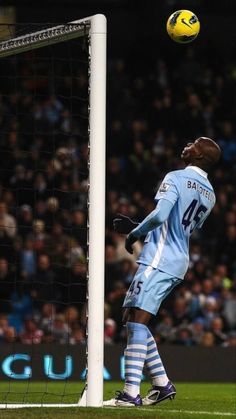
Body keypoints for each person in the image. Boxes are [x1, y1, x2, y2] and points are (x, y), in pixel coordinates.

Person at [104, 137, 221, 407]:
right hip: (178, 259)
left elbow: (160, 216)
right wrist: (140, 224)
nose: (188, 145)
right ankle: (161, 383)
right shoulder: (211, 194)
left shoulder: (176, 177)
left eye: (194, 144)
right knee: (134, 318)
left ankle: (131, 393)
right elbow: (181, 227)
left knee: (135, 321)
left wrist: (134, 233)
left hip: (158, 258)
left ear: (199, 156)